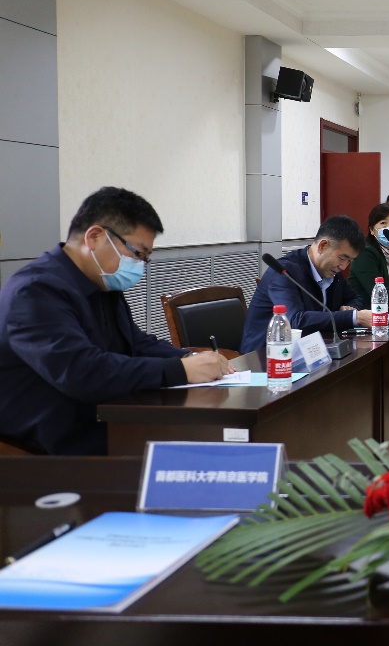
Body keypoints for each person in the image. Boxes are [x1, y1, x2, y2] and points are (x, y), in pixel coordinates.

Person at [0, 187, 234, 455]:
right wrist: (179, 370)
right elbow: (82, 372)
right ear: (95, 237)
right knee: (198, 446)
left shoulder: (102, 284)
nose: (139, 266)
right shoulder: (35, 291)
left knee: (211, 438)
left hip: (108, 420)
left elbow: (135, 343)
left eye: (145, 259)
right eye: (137, 253)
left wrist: (189, 357)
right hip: (50, 445)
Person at [243, 216, 373, 352]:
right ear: (323, 246)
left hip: (312, 350)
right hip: (266, 355)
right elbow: (295, 321)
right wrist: (354, 317)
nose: (344, 266)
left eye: (350, 261)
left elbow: (355, 298)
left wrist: (350, 309)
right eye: (342, 258)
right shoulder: (284, 272)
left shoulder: (332, 271)